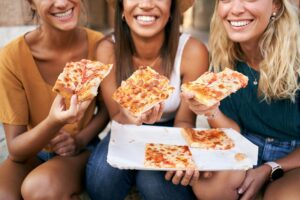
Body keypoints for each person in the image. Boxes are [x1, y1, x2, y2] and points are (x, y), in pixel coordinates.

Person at [176, 0, 300, 199]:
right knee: (208, 187)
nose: (236, 9)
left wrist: (270, 168)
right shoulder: (222, 59)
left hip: (294, 156)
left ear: (275, 5)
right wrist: (210, 110)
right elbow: (233, 133)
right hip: (245, 144)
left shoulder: (297, 54)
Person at [85, 0, 209, 199]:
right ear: (122, 9)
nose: (146, 4)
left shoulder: (193, 52)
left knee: (153, 182)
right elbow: (116, 115)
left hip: (172, 129)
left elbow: (185, 121)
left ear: (171, 9)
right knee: (102, 179)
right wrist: (130, 118)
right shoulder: (106, 50)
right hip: (124, 128)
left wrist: (182, 153)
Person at [0, 0, 109, 199]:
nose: (60, 3)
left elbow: (106, 110)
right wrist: (54, 121)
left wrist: (79, 140)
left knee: (39, 188)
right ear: (31, 3)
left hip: (80, 149)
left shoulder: (100, 45)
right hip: (30, 150)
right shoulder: (10, 57)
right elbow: (16, 150)